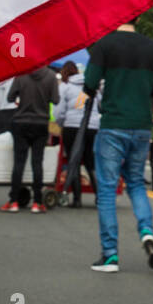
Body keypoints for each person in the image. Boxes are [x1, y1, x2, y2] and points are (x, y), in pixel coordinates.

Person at [84, 22, 153, 273]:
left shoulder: (104, 45)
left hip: (113, 124)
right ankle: (147, 231)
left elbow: (89, 83)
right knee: (135, 183)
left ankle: (110, 254)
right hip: (142, 126)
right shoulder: (152, 47)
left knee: (108, 189)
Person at [2, 63, 58, 213]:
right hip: (41, 122)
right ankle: (37, 202)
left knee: (19, 162)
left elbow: (10, 97)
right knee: (37, 162)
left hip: (21, 122)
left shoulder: (21, 74)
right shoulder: (51, 76)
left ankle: (13, 201)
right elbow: (56, 99)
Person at [56, 60, 98, 207]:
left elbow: (59, 111)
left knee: (73, 160)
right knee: (89, 161)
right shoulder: (91, 85)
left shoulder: (65, 87)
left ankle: (77, 198)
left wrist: (60, 123)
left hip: (72, 126)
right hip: (92, 126)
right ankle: (100, 196)